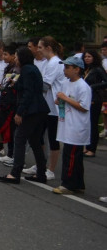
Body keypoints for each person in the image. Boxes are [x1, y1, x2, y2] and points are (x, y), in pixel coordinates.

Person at [0, 46, 49, 185]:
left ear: (22, 58)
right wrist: (14, 84)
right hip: (40, 109)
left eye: (17, 57)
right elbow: (27, 87)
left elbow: (28, 93)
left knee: (19, 138)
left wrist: (19, 112)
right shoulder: (33, 69)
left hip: (31, 110)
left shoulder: (26, 70)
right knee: (35, 141)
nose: (16, 59)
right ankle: (41, 173)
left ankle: (15, 173)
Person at [24, 36, 65, 181]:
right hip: (45, 105)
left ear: (48, 48)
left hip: (53, 107)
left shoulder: (54, 62)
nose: (38, 50)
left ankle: (51, 169)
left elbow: (46, 84)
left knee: (52, 138)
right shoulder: (48, 62)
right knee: (39, 136)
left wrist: (29, 85)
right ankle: (40, 164)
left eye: (40, 47)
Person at [50, 56, 91, 194]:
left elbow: (84, 107)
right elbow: (62, 99)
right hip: (66, 123)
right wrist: (60, 100)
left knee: (71, 156)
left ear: (77, 69)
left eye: (68, 67)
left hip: (76, 126)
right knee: (71, 154)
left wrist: (65, 99)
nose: (65, 70)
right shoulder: (66, 83)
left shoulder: (83, 86)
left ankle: (68, 184)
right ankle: (78, 183)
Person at [83, 50, 106, 157]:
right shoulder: (88, 69)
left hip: (95, 98)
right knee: (87, 123)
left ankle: (92, 148)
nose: (87, 58)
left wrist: (93, 87)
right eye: (85, 56)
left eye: (89, 56)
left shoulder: (98, 69)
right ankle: (87, 146)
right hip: (87, 98)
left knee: (93, 123)